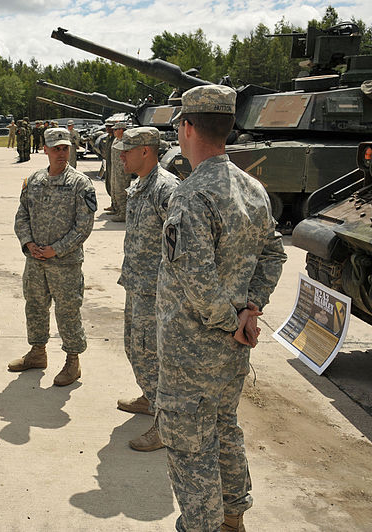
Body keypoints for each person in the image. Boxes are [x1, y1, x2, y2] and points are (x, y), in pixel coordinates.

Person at [156, 85, 286, 532]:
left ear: (188, 128)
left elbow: (196, 279)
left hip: (193, 352)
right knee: (224, 430)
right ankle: (234, 518)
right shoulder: (252, 188)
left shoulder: (193, 195)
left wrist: (232, 320)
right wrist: (251, 309)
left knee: (190, 447)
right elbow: (274, 254)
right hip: (233, 349)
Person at [9, 127, 96, 386]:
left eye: (65, 148)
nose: (61, 153)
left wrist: (56, 248)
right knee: (35, 306)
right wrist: (28, 243)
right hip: (35, 261)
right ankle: (37, 352)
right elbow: (21, 216)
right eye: (56, 148)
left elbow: (83, 227)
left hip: (65, 263)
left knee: (68, 311)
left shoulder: (80, 184)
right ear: (45, 150)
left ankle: (73, 361)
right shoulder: (33, 181)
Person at [113, 127, 180, 452]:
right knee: (135, 346)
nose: (121, 155)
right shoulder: (141, 185)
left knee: (151, 353)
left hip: (157, 291)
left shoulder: (166, 189)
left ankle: (165, 425)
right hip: (138, 284)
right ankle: (149, 396)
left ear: (146, 151)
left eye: (127, 150)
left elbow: (183, 244)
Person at [108, 122, 131, 221]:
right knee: (114, 189)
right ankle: (116, 208)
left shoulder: (126, 141)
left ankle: (123, 213)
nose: (114, 131)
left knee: (121, 190)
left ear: (122, 130)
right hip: (115, 169)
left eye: (116, 130)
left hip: (122, 170)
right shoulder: (116, 140)